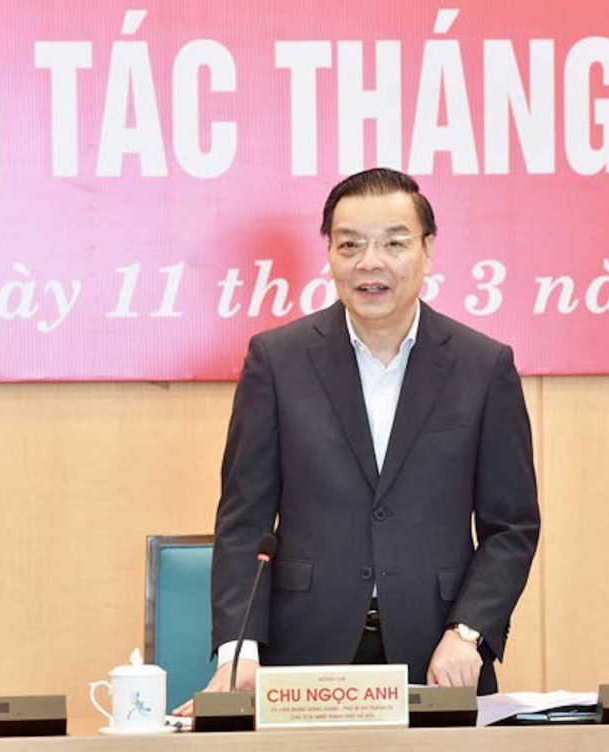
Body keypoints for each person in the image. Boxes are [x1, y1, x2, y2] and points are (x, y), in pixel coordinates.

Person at [176, 168, 539, 715]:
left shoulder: (483, 367)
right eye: (350, 245)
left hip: (440, 654)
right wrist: (240, 652)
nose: (370, 262)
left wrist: (468, 632)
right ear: (329, 254)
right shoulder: (277, 361)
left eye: (394, 243)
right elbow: (244, 520)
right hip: (303, 655)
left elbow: (511, 527)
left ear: (427, 251)